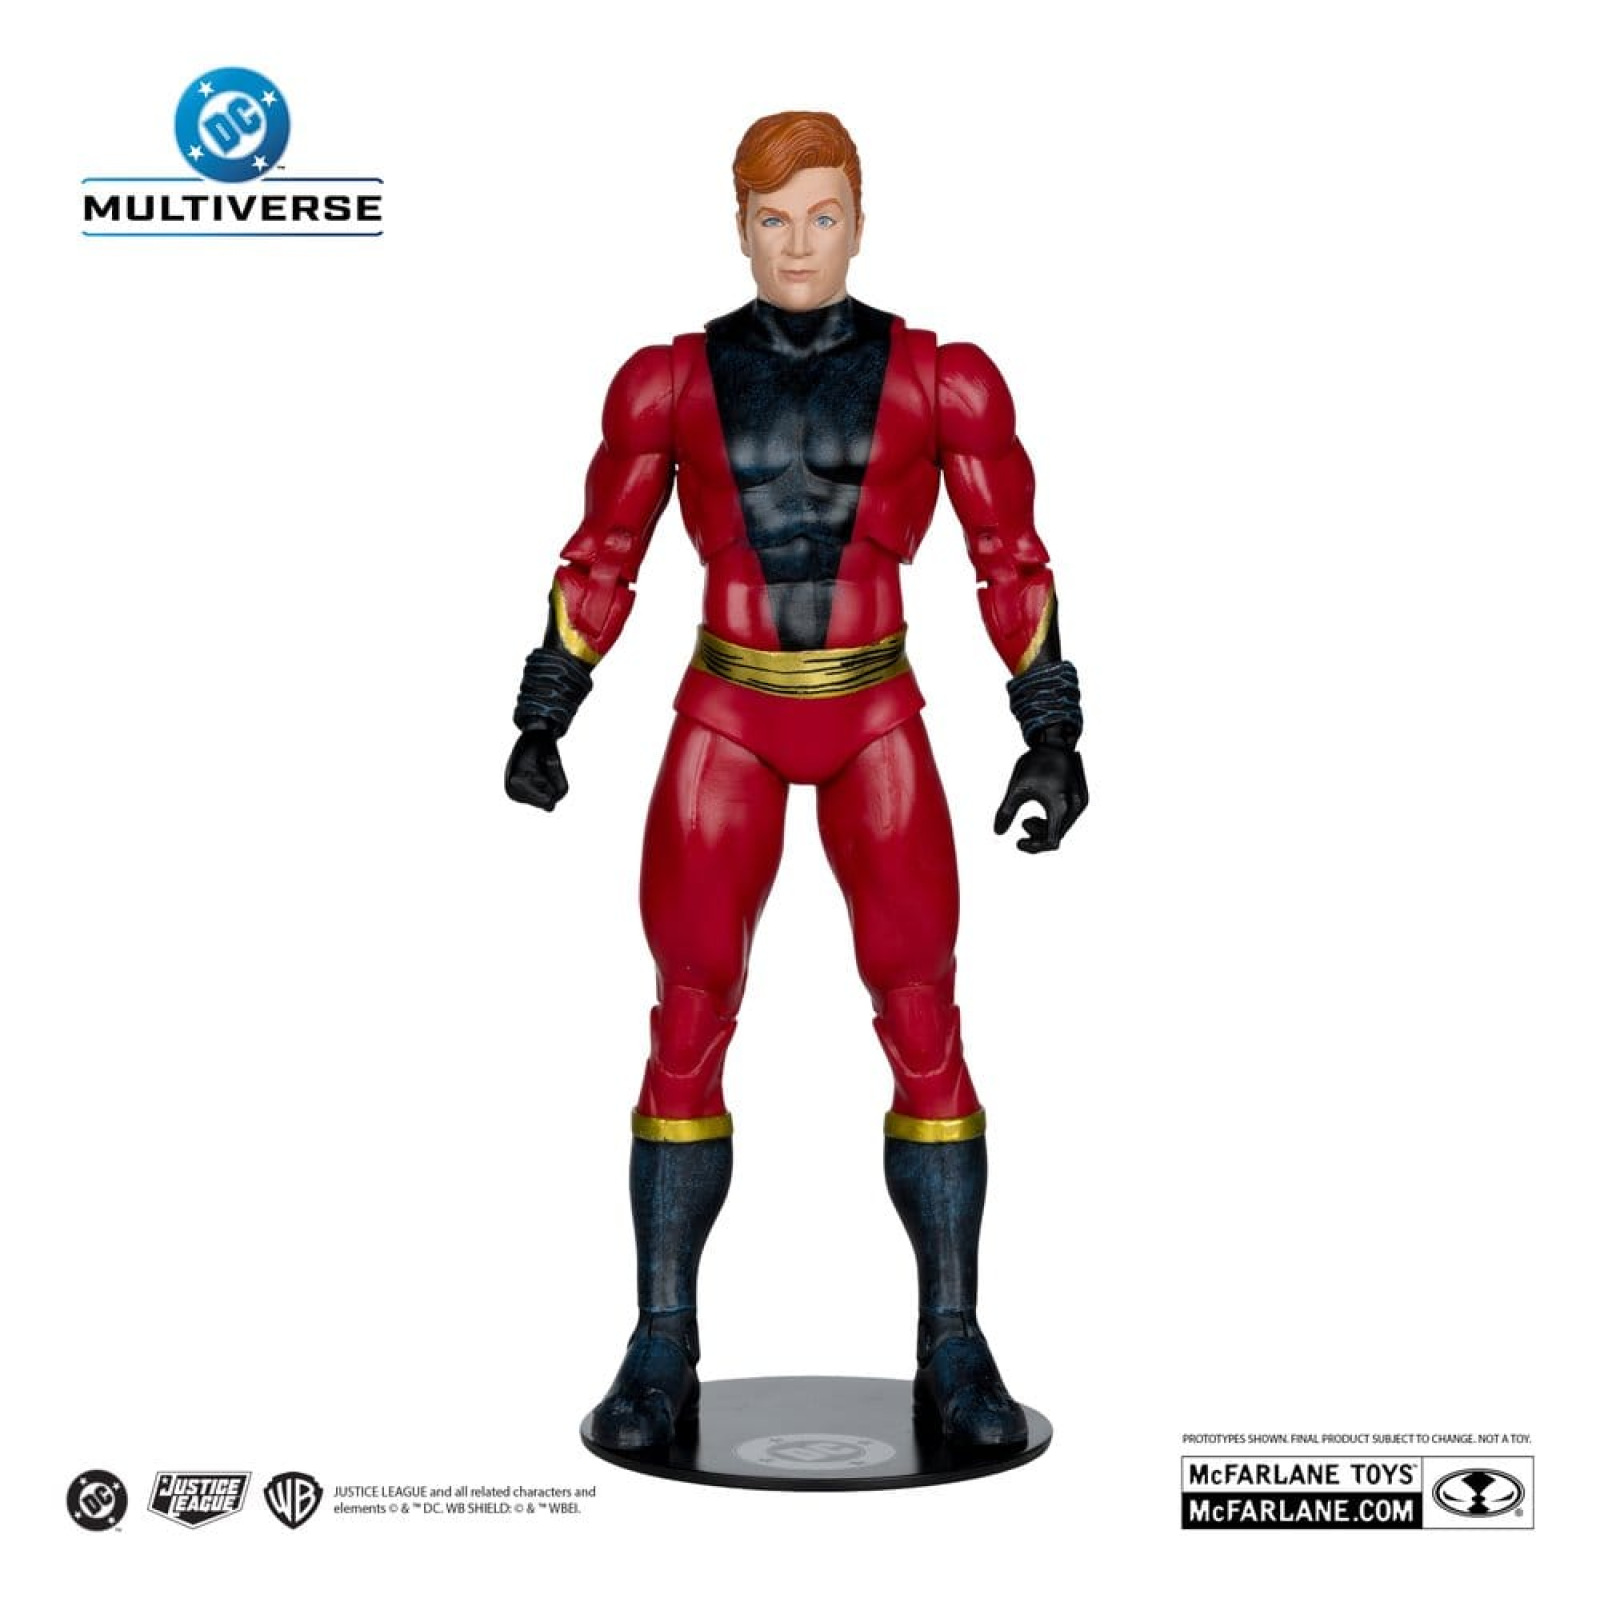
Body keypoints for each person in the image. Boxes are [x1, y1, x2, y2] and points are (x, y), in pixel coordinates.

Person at [506, 111, 1087, 1452]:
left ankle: (953, 1341)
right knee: (687, 1016)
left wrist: (1050, 729)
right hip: (729, 709)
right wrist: (548, 708)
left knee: (924, 1015)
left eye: (823, 216)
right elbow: (603, 551)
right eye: (773, 220)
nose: (799, 245)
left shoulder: (944, 380)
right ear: (740, 228)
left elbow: (1010, 555)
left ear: (860, 220)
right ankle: (662, 1340)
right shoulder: (668, 382)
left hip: (874, 709)